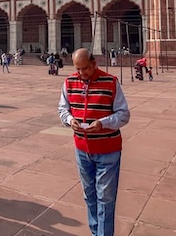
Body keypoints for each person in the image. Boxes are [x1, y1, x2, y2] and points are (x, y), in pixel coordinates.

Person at [59, 49, 130, 236]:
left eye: (85, 69)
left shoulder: (111, 82)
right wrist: (70, 120)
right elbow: (63, 109)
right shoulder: (70, 82)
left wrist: (103, 123)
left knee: (105, 198)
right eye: (78, 69)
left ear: (94, 63)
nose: (82, 73)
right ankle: (95, 232)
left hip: (108, 149)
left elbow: (123, 115)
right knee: (89, 195)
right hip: (82, 149)